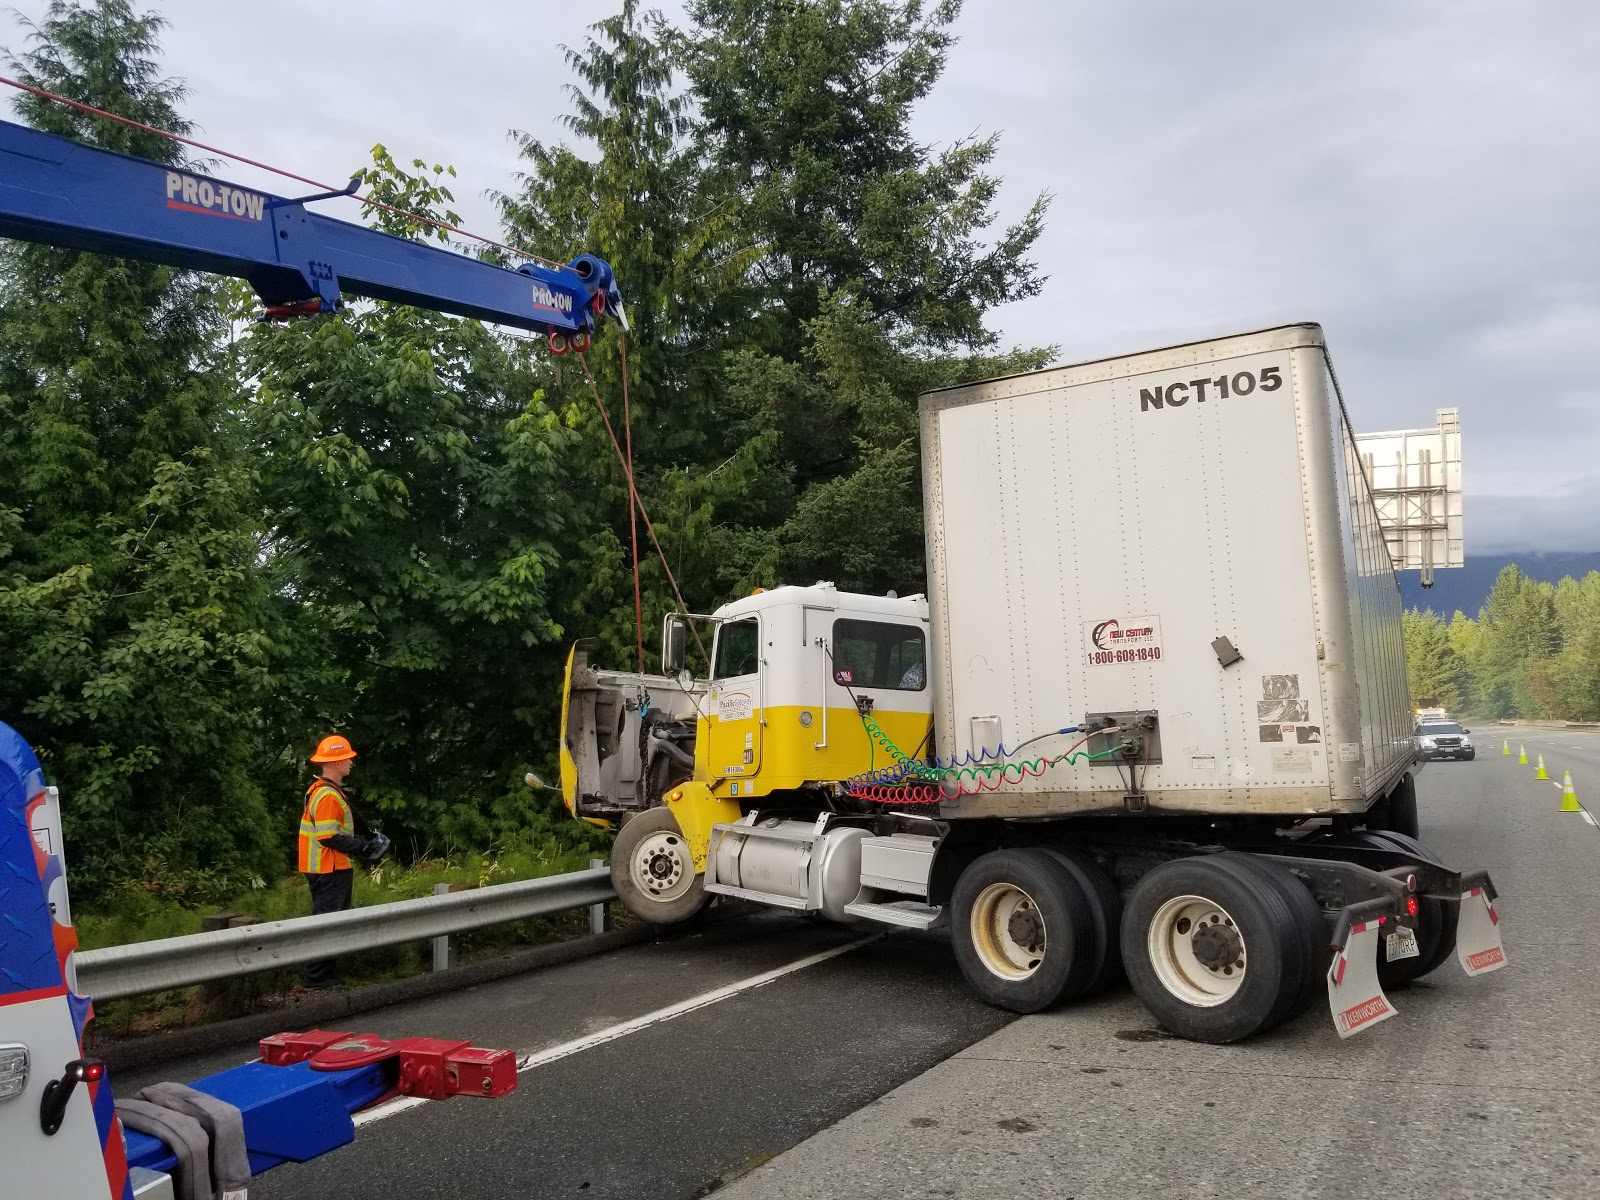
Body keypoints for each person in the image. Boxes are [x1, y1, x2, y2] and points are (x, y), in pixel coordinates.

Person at [298, 734, 384, 987]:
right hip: (329, 868)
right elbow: (328, 836)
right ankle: (316, 977)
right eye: (347, 758)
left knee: (327, 920)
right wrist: (362, 847)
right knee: (328, 923)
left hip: (323, 867)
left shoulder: (321, 790)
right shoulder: (327, 796)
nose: (351, 762)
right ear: (336, 763)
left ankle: (320, 975)